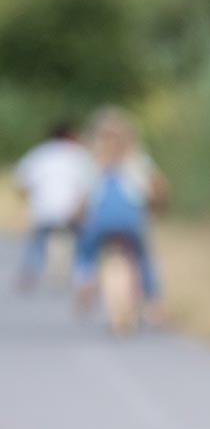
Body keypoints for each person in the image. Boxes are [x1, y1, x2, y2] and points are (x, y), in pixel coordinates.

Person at [73, 108, 168, 321]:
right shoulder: (137, 160)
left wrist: (77, 216)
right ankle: (153, 301)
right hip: (131, 220)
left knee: (85, 250)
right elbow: (156, 188)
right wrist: (155, 208)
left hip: (99, 221)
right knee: (143, 257)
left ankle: (85, 280)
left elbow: (83, 197)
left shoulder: (92, 161)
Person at [12, 122, 95, 290]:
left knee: (37, 242)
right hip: (70, 209)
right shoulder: (79, 155)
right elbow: (90, 186)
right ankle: (82, 275)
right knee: (82, 241)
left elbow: (20, 182)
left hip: (43, 209)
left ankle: (29, 274)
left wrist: (31, 199)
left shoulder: (40, 152)